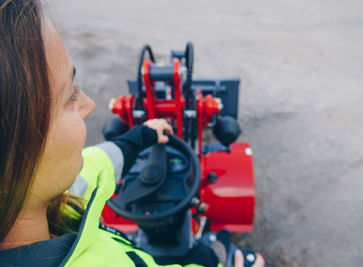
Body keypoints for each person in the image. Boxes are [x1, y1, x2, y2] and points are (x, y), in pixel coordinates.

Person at [0, 0, 265, 266]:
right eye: (69, 97)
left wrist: (135, 141)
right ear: (14, 155)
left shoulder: (39, 193)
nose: (88, 104)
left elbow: (90, 170)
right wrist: (210, 260)